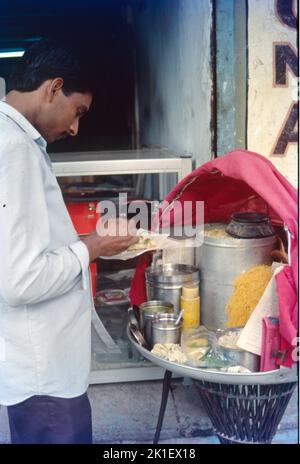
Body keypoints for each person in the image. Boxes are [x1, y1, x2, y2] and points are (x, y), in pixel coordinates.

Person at [0, 38, 138, 444]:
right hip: (45, 377)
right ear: (53, 88)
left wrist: (84, 241)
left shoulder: (16, 141)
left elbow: (20, 247)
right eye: (77, 112)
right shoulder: (13, 150)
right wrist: (94, 247)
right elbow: (20, 280)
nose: (76, 128)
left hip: (42, 371)